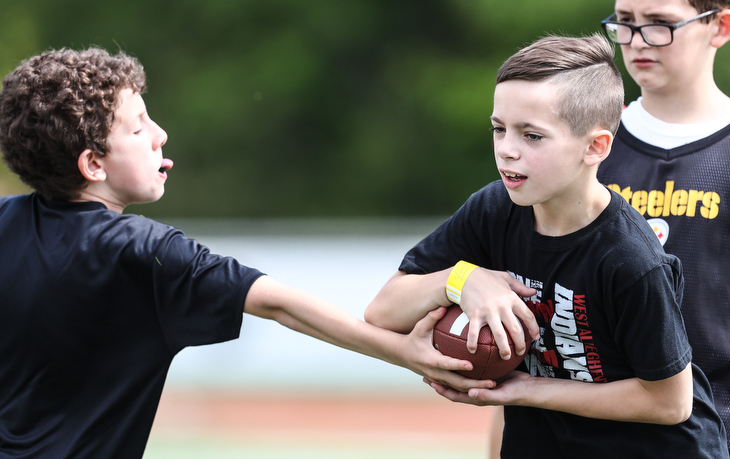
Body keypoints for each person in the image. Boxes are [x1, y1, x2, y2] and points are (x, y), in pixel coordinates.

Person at [0, 47, 494, 458]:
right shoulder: (145, 252)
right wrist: (405, 353)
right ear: (92, 164)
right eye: (137, 128)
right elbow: (280, 304)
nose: (160, 135)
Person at [364, 34, 728, 458]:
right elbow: (382, 311)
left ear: (596, 147)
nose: (506, 151)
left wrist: (530, 389)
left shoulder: (629, 258)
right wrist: (461, 279)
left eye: (532, 136)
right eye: (499, 129)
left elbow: (670, 402)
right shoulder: (493, 209)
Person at [594, 1, 730, 457]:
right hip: (605, 432)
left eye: (661, 25)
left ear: (720, 27)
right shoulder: (591, 146)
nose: (638, 41)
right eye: (625, 24)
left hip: (728, 435)